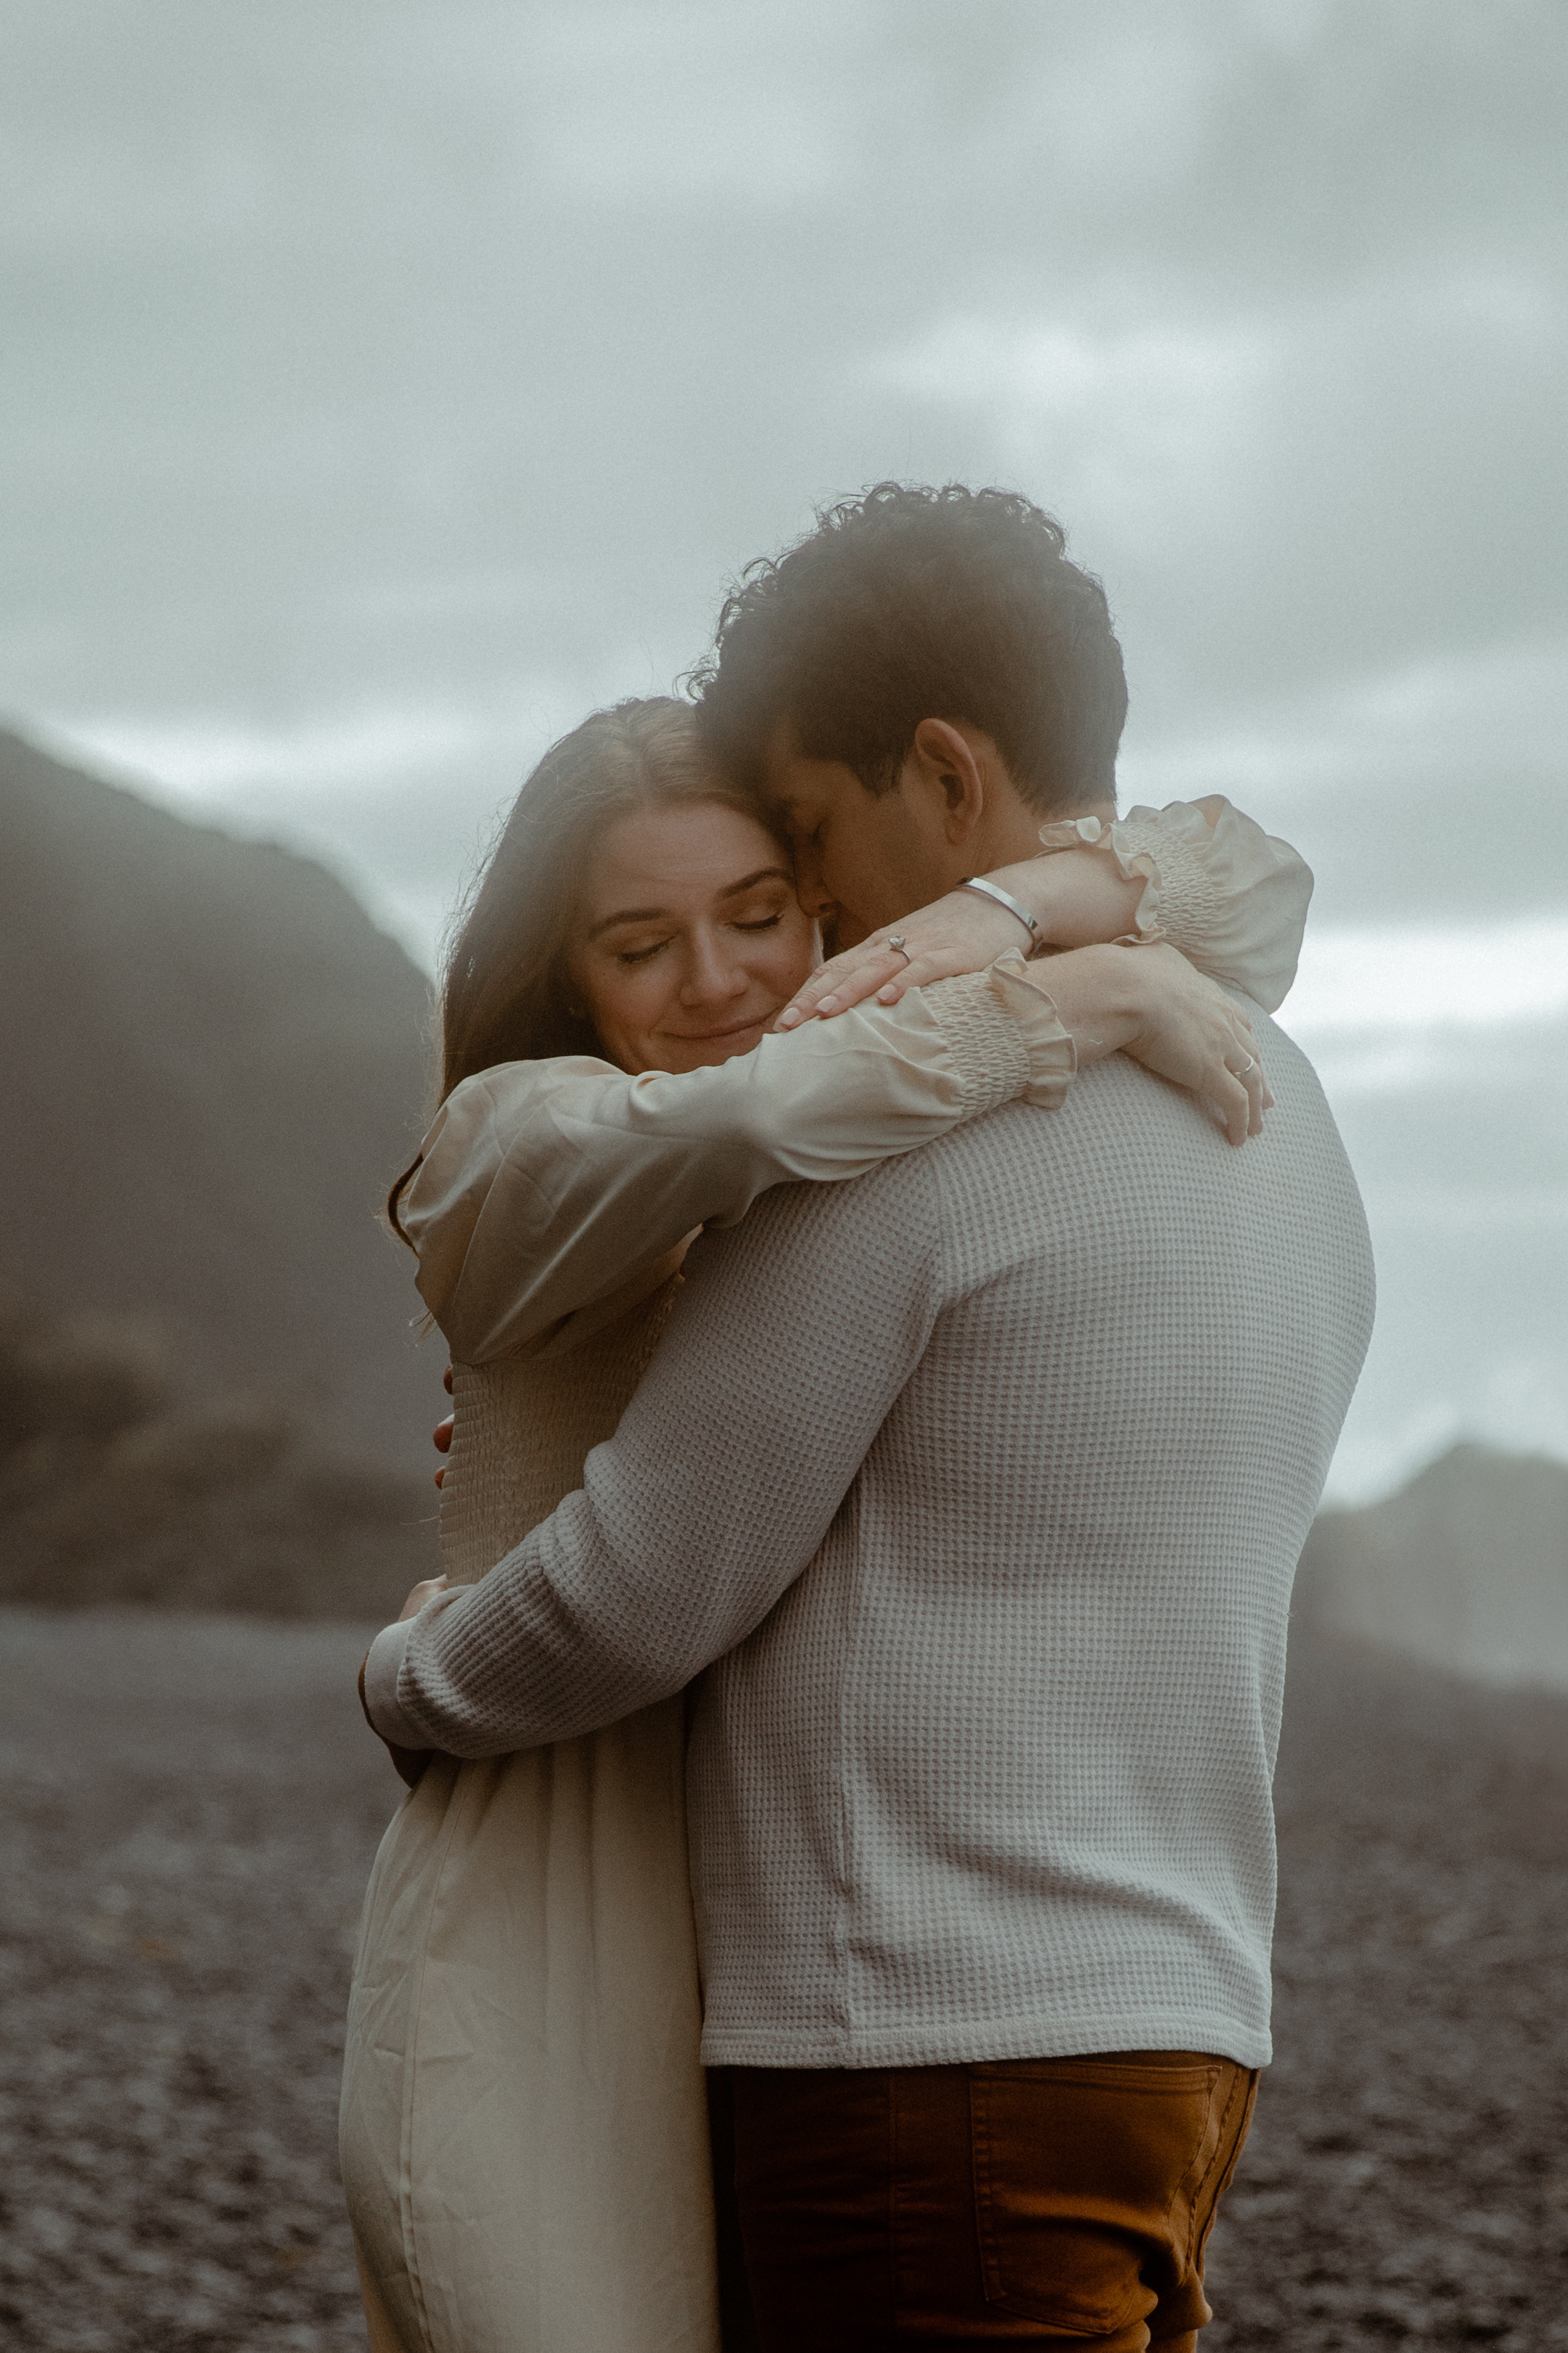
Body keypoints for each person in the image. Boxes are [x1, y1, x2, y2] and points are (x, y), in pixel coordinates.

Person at [361, 485, 1374, 2349]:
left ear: (940, 768)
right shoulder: (1278, 1098)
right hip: (1183, 2029)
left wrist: (408, 1681)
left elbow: (642, 1585)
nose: (813, 934)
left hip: (922, 2049)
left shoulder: (913, 1134)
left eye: (802, 853)